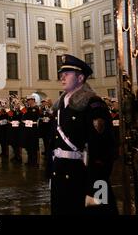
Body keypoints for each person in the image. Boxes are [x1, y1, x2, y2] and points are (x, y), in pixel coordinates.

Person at [49, 54, 118, 215]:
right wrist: (51, 176)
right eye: (61, 74)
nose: (62, 77)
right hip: (60, 178)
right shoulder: (60, 106)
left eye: (67, 74)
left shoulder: (93, 105)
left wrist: (97, 192)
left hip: (83, 179)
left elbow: (102, 152)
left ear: (80, 78)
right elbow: (53, 144)